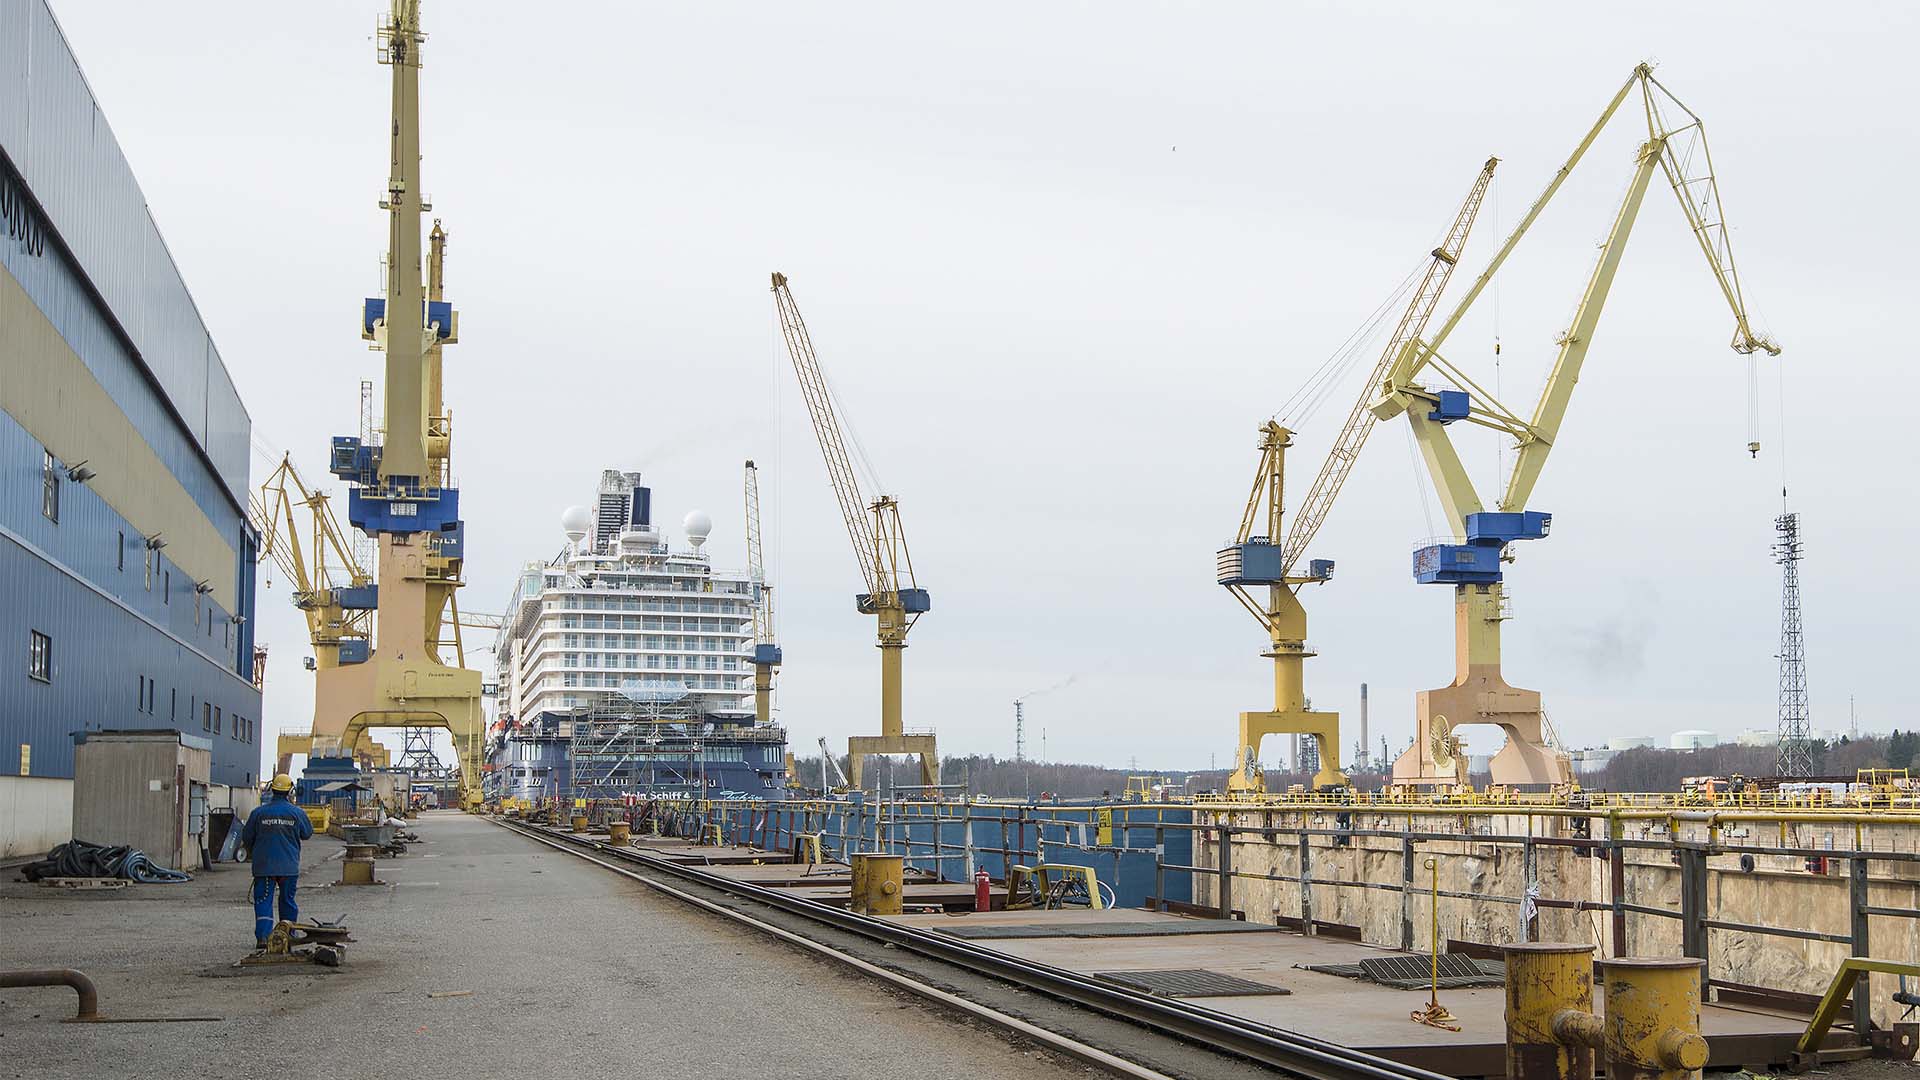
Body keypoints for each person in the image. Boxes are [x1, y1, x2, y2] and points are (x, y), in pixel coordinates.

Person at [241, 774, 313, 949]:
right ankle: (287, 935)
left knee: (264, 900)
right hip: (289, 867)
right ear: (290, 791)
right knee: (287, 900)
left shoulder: (258, 813)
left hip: (264, 866)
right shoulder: (297, 813)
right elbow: (307, 833)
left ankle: (264, 938)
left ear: (272, 789)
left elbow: (247, 837)